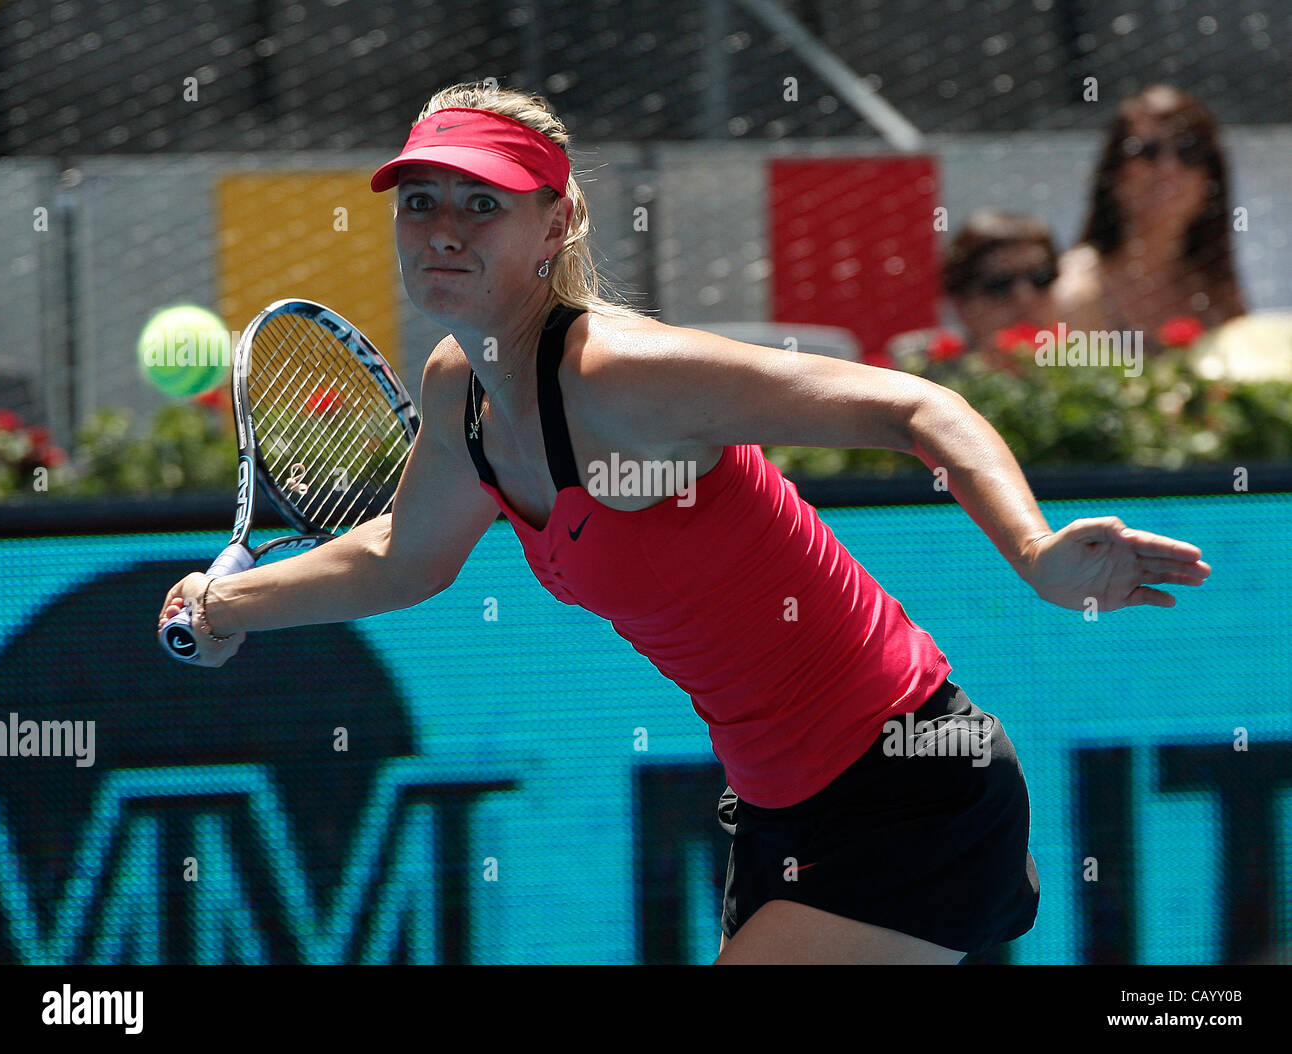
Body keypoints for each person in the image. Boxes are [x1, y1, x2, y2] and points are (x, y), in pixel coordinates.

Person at [158, 82, 1212, 965]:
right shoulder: (458, 391)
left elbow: (913, 404)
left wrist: (1034, 551)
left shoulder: (623, 377)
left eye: (483, 205)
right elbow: (400, 553)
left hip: (909, 782)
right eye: (420, 201)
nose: (440, 226)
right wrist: (227, 600)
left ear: (555, 222)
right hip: (780, 814)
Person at [1053, 84, 1247, 342]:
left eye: (1189, 152)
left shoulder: (1216, 293)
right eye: (1148, 151)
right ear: (1114, 175)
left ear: (1210, 180)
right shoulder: (1077, 292)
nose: (1169, 167)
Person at [943, 209, 1060, 363]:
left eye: (1041, 278)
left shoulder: (1087, 369)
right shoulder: (923, 377)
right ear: (960, 302)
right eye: (1000, 284)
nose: (1025, 298)